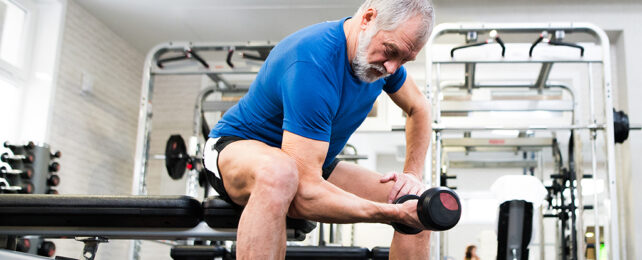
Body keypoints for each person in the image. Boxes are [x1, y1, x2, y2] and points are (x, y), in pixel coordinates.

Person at [203, 0, 435, 259]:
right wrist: (389, 214)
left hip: (306, 163)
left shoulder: (385, 61)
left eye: (404, 60)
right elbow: (304, 195)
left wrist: (412, 176)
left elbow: (420, 108)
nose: (392, 68)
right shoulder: (312, 61)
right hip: (236, 147)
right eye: (390, 51)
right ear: (368, 19)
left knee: (420, 205)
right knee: (279, 173)